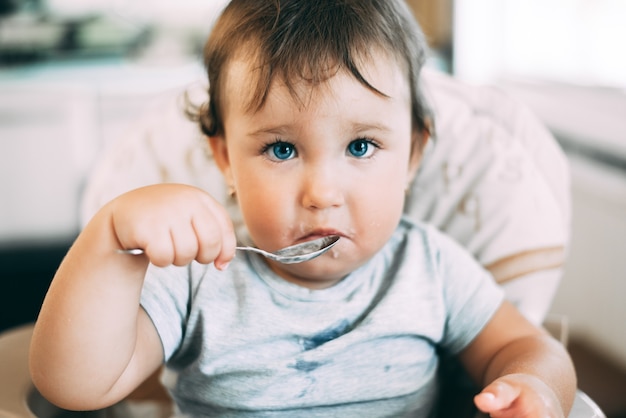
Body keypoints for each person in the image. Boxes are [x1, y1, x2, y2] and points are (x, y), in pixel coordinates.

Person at [29, 1, 576, 417]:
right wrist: (110, 242)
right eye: (281, 149)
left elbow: (525, 345)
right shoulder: (196, 278)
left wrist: (535, 386)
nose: (322, 192)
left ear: (412, 154)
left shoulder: (432, 268)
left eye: (361, 146)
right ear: (225, 158)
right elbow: (75, 386)